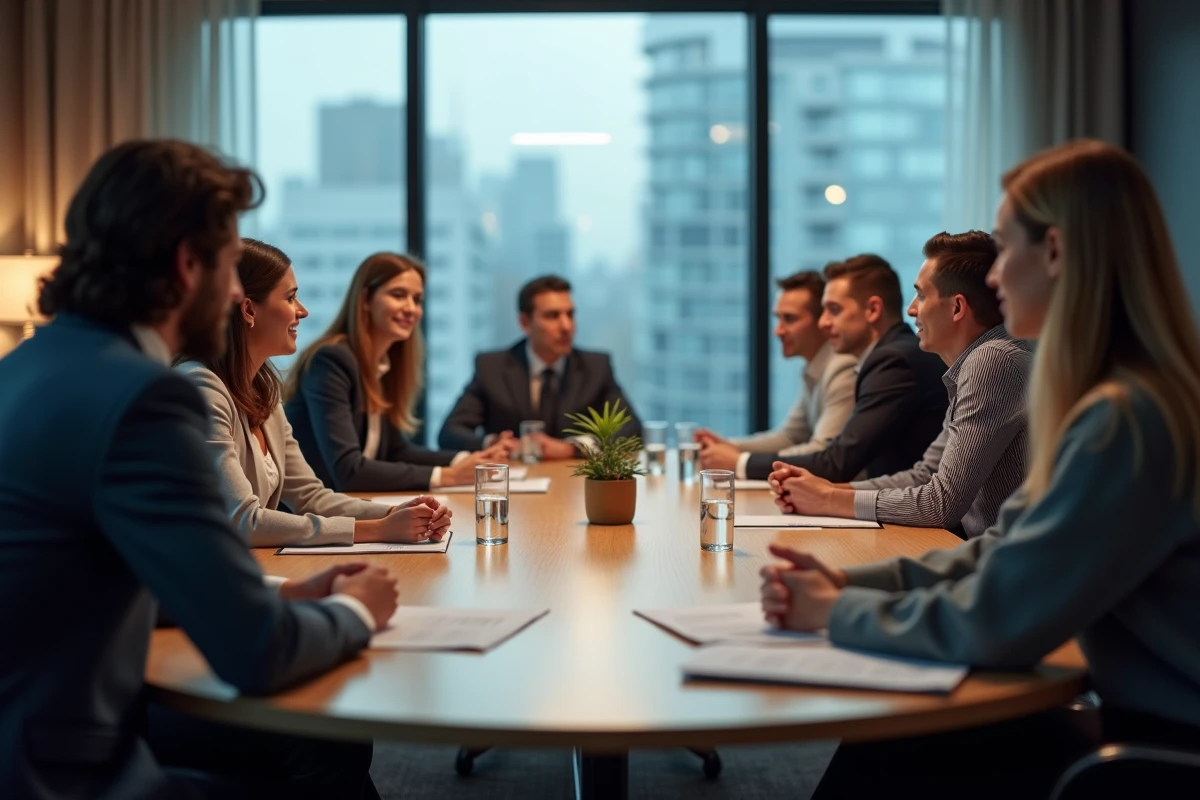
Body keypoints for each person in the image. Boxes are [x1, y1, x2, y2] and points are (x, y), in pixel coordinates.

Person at [761, 140, 1200, 798]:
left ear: (1055, 252)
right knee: (899, 734)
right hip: (1139, 725)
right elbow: (1002, 547)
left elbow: (998, 619)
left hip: (1158, 755)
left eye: (1006, 246)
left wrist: (838, 610)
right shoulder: (1123, 395)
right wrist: (849, 581)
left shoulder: (1125, 420)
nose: (993, 278)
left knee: (898, 738)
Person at [0, 139, 399, 798]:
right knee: (326, 730)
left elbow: (91, 578)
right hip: (68, 773)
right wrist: (356, 611)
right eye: (229, 265)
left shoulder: (23, 370)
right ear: (189, 265)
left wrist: (284, 594)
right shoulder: (144, 398)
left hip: (27, 739)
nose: (237, 292)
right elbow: (257, 651)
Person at [179, 239, 452, 549]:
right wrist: (378, 529)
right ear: (249, 309)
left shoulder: (264, 393)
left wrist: (396, 513)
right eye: (290, 298)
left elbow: (312, 497)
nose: (303, 311)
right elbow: (244, 521)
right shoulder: (201, 388)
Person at [769, 232, 1031, 539]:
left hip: (1011, 563)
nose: (911, 310)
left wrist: (827, 499)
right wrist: (826, 490)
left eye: (921, 295)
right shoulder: (978, 362)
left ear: (957, 308)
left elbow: (941, 504)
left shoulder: (992, 361)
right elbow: (925, 475)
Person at [284, 252, 511, 493]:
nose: (411, 308)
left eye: (417, 299)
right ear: (365, 299)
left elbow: (397, 452)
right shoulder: (331, 360)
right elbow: (348, 471)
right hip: (310, 511)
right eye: (399, 295)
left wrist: (468, 460)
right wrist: (449, 476)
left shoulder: (382, 365)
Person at [718, 255, 947, 482]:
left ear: (872, 310)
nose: (823, 322)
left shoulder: (894, 361)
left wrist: (739, 463)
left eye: (834, 310)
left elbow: (838, 463)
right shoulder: (892, 355)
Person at [438, 274, 642, 458]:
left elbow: (632, 429)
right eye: (553, 316)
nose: (566, 326)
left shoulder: (595, 367)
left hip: (574, 480)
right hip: (514, 479)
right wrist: (494, 443)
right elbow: (449, 433)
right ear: (525, 323)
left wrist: (573, 448)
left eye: (570, 314)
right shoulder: (492, 368)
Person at [692, 270, 858, 477]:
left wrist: (740, 461)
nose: (778, 331)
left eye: (789, 319)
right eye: (778, 319)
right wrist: (729, 446)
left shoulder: (843, 368)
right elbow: (789, 437)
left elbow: (822, 452)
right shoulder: (815, 367)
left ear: (822, 320)